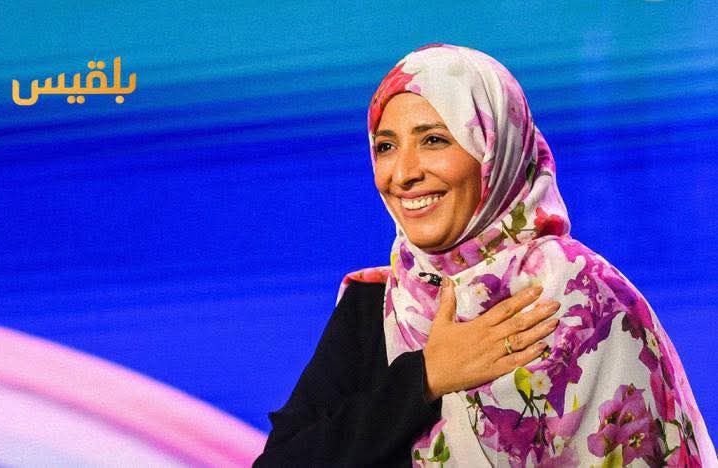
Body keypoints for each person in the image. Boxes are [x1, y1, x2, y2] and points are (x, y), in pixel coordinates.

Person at [254, 44, 716, 467]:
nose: (403, 173)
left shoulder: (590, 297)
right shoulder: (373, 306)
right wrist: (425, 378)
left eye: (434, 139)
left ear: (496, 148)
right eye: (386, 146)